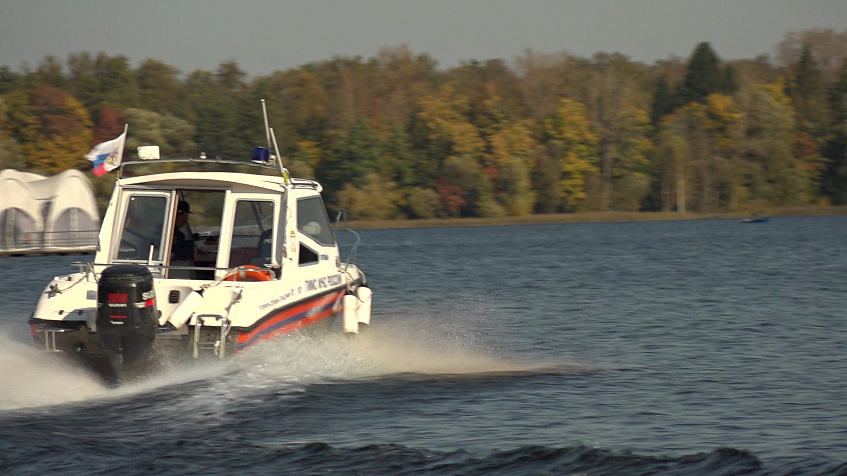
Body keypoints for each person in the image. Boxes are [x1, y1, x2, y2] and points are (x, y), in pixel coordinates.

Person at [169, 200, 195, 278]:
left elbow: (182, 243)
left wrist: (194, 247)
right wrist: (192, 250)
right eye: (186, 216)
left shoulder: (175, 230)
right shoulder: (169, 232)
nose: (186, 220)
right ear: (179, 215)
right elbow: (175, 252)